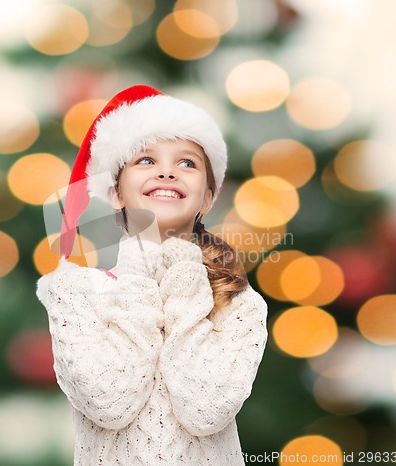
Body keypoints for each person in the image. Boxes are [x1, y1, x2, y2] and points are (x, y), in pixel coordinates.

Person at [36, 85, 268, 465]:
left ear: (208, 198)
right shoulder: (75, 292)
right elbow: (109, 402)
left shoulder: (238, 303)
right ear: (117, 193)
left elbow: (206, 411)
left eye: (187, 163)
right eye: (145, 160)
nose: (166, 171)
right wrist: (137, 272)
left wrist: (185, 279)